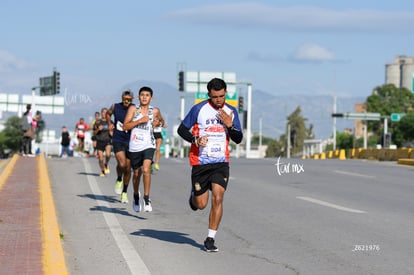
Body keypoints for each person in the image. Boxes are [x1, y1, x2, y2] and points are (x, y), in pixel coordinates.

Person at [177, 78, 243, 252]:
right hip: (200, 162)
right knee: (200, 204)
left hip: (221, 162)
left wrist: (230, 126)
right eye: (215, 97)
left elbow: (238, 139)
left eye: (222, 96)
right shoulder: (199, 109)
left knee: (218, 198)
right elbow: (181, 130)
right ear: (209, 95)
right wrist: (195, 140)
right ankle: (194, 195)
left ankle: (210, 239)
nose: (219, 100)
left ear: (226, 93)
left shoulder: (231, 112)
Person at [123, 86, 163, 212]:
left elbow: (161, 121)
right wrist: (139, 121)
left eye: (147, 95)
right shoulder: (133, 109)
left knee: (146, 170)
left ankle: (146, 198)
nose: (144, 97)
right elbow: (125, 126)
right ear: (138, 97)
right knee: (136, 174)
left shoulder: (155, 110)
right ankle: (136, 195)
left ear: (151, 98)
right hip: (135, 146)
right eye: (142, 95)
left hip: (148, 145)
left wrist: (158, 123)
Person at [107, 90, 135, 203]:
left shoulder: (135, 108)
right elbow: (108, 114)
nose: (126, 101)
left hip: (131, 140)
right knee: (122, 164)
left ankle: (124, 192)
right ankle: (119, 178)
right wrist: (109, 124)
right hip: (118, 138)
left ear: (132, 99)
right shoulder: (115, 106)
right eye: (124, 99)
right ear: (122, 98)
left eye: (128, 100)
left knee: (128, 169)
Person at [93, 108, 112, 177]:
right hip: (100, 141)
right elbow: (94, 133)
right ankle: (102, 170)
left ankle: (106, 164)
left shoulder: (110, 122)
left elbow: (112, 133)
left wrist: (110, 131)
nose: (104, 113)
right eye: (103, 112)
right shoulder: (98, 122)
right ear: (101, 113)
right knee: (101, 159)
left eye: (105, 112)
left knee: (108, 154)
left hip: (107, 140)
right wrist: (98, 129)